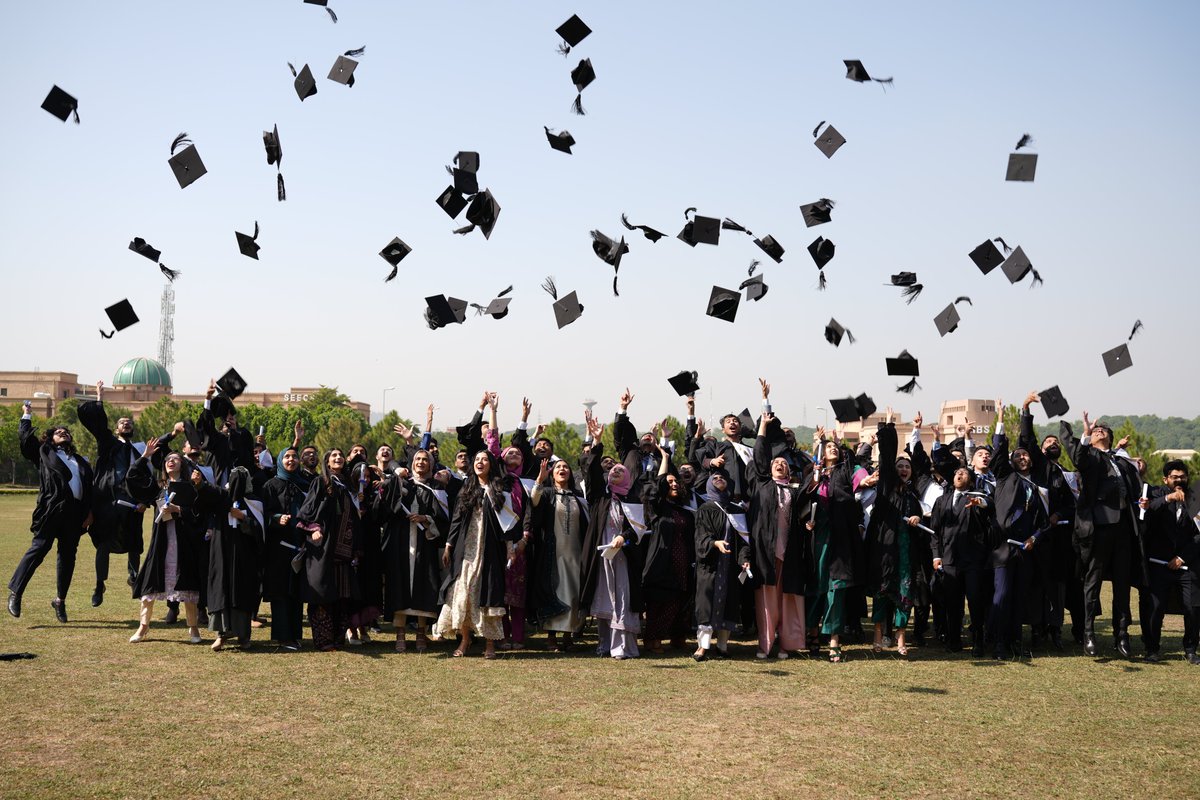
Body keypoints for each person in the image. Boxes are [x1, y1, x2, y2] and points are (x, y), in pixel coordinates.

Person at [1060, 413, 1143, 657]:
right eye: (1097, 431)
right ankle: (1088, 633)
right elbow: (1077, 457)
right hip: (1099, 528)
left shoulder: (1121, 461)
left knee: (1122, 584)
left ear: (1110, 437)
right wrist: (1085, 433)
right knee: (1092, 582)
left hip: (1124, 528)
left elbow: (1135, 489)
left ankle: (1122, 634)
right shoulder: (1090, 456)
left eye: (1103, 430)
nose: (1100, 431)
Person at [8, 401, 94, 622]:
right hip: (52, 509)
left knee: (67, 558)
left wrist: (89, 512)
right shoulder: (44, 453)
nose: (63, 432)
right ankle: (16, 593)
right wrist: (26, 416)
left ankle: (60, 601)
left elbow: (90, 488)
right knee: (38, 549)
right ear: (50, 438)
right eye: (57, 432)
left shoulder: (81, 461)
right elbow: (26, 442)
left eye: (65, 432)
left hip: (75, 514)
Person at [434, 447, 520, 659]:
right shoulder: (466, 489)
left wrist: (510, 549)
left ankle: (490, 643)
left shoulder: (499, 491)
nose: (480, 462)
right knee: (463, 589)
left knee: (488, 592)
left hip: (490, 551)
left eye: (484, 459)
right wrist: (448, 546)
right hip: (467, 550)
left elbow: (507, 525)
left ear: (491, 464)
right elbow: (456, 519)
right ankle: (465, 638)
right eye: (477, 459)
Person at [747, 381, 808, 660]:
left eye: (783, 463)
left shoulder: (793, 491)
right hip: (767, 551)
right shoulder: (763, 485)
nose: (779, 464)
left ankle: (786, 643)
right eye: (775, 463)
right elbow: (760, 452)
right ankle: (766, 643)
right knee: (767, 601)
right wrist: (764, 406)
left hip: (789, 552)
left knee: (787, 598)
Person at [579, 401, 645, 659]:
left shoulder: (632, 499)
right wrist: (596, 443)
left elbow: (637, 529)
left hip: (624, 557)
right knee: (604, 597)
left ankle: (623, 647)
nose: (615, 473)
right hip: (601, 555)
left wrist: (624, 537)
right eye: (612, 472)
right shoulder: (600, 497)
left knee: (623, 598)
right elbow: (591, 470)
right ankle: (604, 644)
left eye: (620, 472)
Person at [125, 441, 205, 644]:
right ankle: (143, 627)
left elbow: (199, 514)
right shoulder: (158, 487)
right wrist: (145, 457)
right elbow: (132, 478)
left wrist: (178, 510)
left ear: (182, 464)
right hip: (161, 543)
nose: (171, 462)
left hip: (183, 544)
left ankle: (193, 628)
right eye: (168, 460)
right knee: (150, 586)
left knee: (187, 587)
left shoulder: (188, 488)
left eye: (175, 459)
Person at [78, 382, 148, 607]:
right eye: (121, 422)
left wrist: (144, 501)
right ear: (116, 429)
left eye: (129, 422)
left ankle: (134, 576)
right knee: (104, 545)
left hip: (131, 502)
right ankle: (100, 585)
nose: (126, 423)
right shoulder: (108, 444)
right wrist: (99, 397)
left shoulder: (139, 450)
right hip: (107, 502)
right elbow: (99, 425)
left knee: (134, 543)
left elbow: (148, 478)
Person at [374, 448, 449, 653]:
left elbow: (444, 520)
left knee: (425, 587)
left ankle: (421, 634)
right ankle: (400, 634)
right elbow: (385, 511)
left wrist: (426, 519)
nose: (421, 462)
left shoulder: (437, 488)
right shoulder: (402, 484)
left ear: (431, 465)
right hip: (400, 543)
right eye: (417, 459)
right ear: (411, 463)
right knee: (399, 586)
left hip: (425, 544)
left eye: (425, 460)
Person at [865, 411, 927, 657]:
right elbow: (887, 455)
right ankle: (878, 637)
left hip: (906, 555)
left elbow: (921, 521)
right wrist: (889, 425)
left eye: (907, 467)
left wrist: (918, 519)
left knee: (905, 596)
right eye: (899, 466)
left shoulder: (913, 497)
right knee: (882, 594)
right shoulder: (887, 488)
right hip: (884, 552)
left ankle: (902, 640)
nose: (903, 469)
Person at [806, 425, 867, 663]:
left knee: (837, 589)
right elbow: (803, 498)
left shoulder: (846, 471)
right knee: (816, 587)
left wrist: (869, 478)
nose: (832, 449)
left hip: (840, 537)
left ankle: (834, 641)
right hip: (818, 537)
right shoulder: (813, 472)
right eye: (828, 447)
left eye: (836, 448)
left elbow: (860, 477)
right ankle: (812, 634)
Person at [296, 449, 367, 652]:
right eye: (333, 456)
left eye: (340, 455)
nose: (338, 458)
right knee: (322, 596)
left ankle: (338, 638)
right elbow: (307, 510)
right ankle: (323, 640)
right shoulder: (321, 482)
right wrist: (313, 529)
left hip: (343, 552)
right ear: (327, 462)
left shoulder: (347, 487)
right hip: (323, 549)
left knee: (342, 597)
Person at [988, 431, 1050, 659]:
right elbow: (999, 453)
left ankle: (1015, 641)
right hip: (1004, 548)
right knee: (1002, 595)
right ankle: (998, 642)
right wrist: (1000, 424)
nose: (1022, 458)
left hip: (1026, 550)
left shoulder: (1038, 487)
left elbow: (1043, 523)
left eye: (1025, 455)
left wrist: (1035, 538)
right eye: (1018, 455)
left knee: (1019, 597)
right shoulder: (1005, 477)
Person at [1138, 460, 1200, 664]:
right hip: (1158, 563)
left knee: (1192, 607)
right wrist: (1168, 498)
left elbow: (1198, 535)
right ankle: (1152, 649)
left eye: (1183, 477)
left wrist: (1182, 557)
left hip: (1186, 563)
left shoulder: (1195, 499)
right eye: (1175, 477)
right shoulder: (1155, 493)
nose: (1179, 480)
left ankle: (1191, 649)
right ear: (1166, 479)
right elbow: (1146, 513)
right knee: (1155, 608)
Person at [641, 426, 694, 654]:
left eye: (676, 482)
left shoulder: (684, 511)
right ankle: (652, 638)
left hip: (682, 561)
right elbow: (657, 485)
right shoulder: (658, 508)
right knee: (658, 601)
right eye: (670, 482)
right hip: (661, 560)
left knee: (678, 600)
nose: (673, 484)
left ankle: (672, 636)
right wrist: (665, 458)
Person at [527, 456, 588, 652]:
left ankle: (568, 635)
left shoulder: (578, 497)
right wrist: (539, 480)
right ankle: (551, 637)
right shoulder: (546, 493)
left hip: (575, 551)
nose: (562, 469)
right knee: (553, 589)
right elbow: (533, 502)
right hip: (552, 552)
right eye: (558, 467)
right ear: (552, 474)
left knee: (573, 591)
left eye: (565, 467)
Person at [930, 467, 993, 655]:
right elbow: (935, 531)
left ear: (971, 481)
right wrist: (936, 555)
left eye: (964, 473)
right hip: (949, 560)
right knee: (952, 603)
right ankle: (954, 640)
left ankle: (978, 641)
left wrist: (979, 502)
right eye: (957, 472)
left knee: (974, 601)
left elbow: (988, 504)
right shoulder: (942, 500)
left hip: (973, 560)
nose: (959, 474)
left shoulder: (976, 497)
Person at [201, 466, 264, 651]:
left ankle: (244, 637)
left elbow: (260, 532)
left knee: (241, 593)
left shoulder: (254, 503)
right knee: (221, 591)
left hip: (244, 557)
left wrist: (243, 518)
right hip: (221, 553)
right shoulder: (221, 500)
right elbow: (206, 500)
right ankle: (221, 635)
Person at [692, 473, 751, 660]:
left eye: (723, 477)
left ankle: (723, 646)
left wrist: (744, 558)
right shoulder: (706, 509)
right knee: (706, 603)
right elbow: (700, 536)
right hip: (710, 565)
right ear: (709, 484)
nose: (719, 478)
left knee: (729, 603)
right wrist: (714, 543)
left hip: (730, 567)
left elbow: (743, 540)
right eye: (715, 477)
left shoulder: (736, 510)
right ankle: (702, 647)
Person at [260, 446, 311, 650]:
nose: (291, 460)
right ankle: (283, 636)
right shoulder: (270, 485)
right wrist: (276, 519)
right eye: (287, 457)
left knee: (296, 592)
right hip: (278, 547)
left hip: (300, 546)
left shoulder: (304, 484)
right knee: (281, 592)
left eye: (294, 457)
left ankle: (295, 635)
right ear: (280, 461)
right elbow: (261, 514)